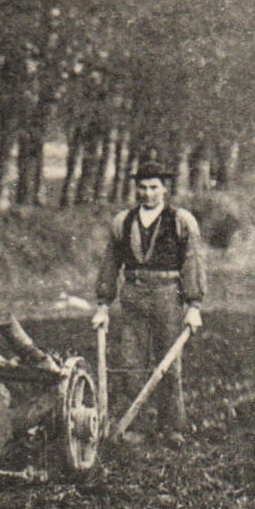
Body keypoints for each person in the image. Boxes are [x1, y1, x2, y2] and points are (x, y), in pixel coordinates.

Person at [92, 155, 206, 445]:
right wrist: (103, 305)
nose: (147, 193)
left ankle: (173, 427)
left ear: (165, 189)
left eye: (154, 187)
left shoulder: (181, 221)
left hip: (168, 294)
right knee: (132, 361)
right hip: (132, 295)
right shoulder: (123, 221)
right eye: (142, 187)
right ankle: (137, 426)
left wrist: (194, 306)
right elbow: (110, 264)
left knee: (168, 362)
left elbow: (192, 263)